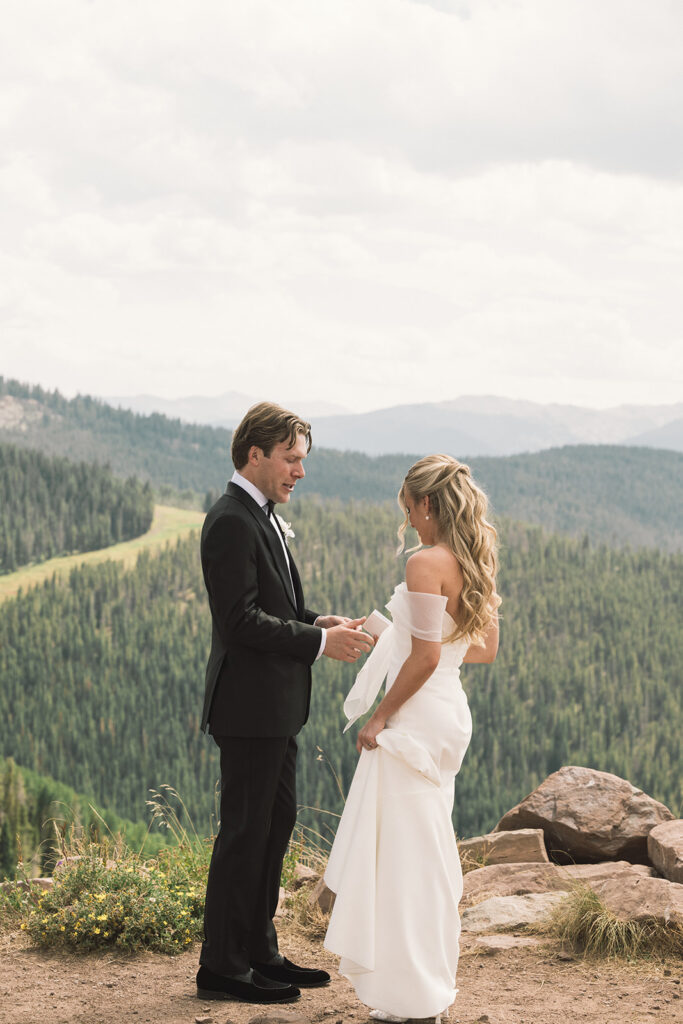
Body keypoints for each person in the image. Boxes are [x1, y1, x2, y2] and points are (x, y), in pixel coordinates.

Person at [197, 401, 374, 1006]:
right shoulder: (230, 520)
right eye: (291, 459)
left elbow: (269, 607)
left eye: (302, 460)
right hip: (247, 710)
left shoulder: (259, 515)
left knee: (274, 829)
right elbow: (240, 621)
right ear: (256, 454)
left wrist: (314, 619)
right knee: (244, 834)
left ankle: (258, 951)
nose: (300, 471)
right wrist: (322, 642)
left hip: (274, 709)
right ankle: (221, 967)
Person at [324, 454, 500, 1023]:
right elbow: (471, 648)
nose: (409, 521)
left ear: (427, 503)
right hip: (447, 713)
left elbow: (425, 655)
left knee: (405, 855)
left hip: (417, 717)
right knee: (422, 847)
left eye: (408, 509)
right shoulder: (474, 559)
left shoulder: (425, 561)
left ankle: (413, 995)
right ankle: (420, 982)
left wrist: (380, 716)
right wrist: (383, 631)